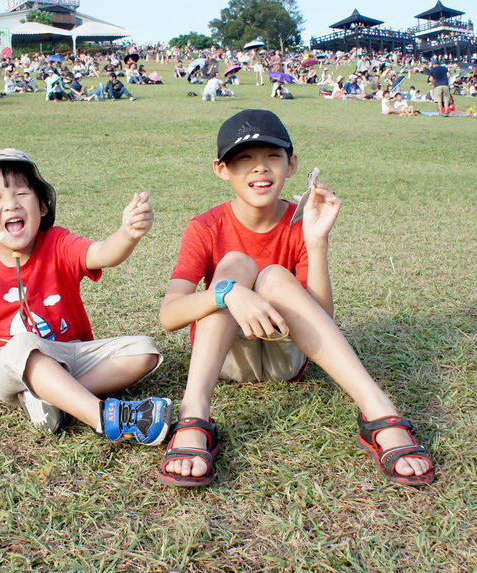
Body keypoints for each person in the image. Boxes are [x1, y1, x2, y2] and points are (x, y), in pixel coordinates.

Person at [156, 109, 436, 487]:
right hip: (226, 359)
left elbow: (321, 320)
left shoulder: (300, 223)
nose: (260, 169)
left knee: (273, 275)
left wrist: (316, 242)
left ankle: (378, 411)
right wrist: (226, 293)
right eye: (245, 160)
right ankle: (194, 415)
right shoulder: (205, 226)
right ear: (222, 170)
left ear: (292, 166)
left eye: (272, 157)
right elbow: (169, 315)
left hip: (286, 356)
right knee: (236, 264)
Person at [0, 148, 171, 445]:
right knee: (24, 343)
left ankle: (50, 400)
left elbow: (102, 254)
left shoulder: (57, 242)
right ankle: (104, 418)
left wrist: (128, 233)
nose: (11, 205)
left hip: (67, 353)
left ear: (42, 206)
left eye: (21, 193)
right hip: (12, 367)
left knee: (145, 350)